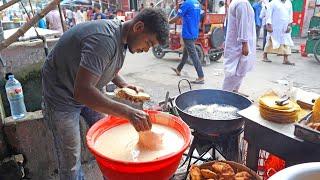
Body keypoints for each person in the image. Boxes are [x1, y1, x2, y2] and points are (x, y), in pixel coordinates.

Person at [41, 8, 169, 179]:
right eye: (149, 43)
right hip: (62, 96)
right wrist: (128, 112)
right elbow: (83, 92)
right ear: (138, 27)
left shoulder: (122, 37)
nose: (146, 50)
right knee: (71, 161)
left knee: (107, 140)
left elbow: (103, 64)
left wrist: (123, 84)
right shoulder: (104, 40)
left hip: (85, 89)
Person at [222, 0, 256, 92]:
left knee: (240, 70)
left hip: (237, 43)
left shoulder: (240, 2)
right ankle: (225, 94)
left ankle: (234, 92)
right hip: (239, 45)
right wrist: (244, 43)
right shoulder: (242, 3)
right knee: (235, 72)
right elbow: (243, 24)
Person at [169, 0, 205, 84]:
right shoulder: (196, 3)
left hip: (188, 33)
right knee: (186, 52)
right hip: (194, 32)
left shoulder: (186, 4)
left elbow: (177, 17)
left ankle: (201, 76)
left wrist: (167, 22)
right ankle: (178, 69)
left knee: (193, 55)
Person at [263, 0, 294, 65]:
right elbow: (268, 14)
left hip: (285, 27)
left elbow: (290, 14)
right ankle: (264, 56)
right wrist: (268, 24)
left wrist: (289, 25)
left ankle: (285, 59)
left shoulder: (289, 3)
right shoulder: (273, 2)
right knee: (270, 41)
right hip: (275, 26)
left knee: (286, 42)